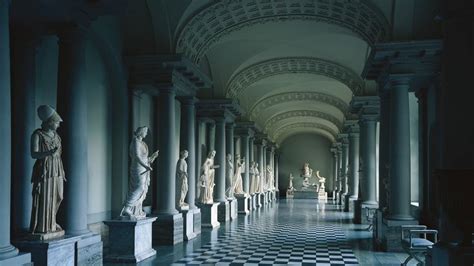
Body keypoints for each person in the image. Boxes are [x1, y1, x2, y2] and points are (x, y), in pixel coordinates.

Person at [30, 105, 65, 236]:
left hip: (57, 168)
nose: (58, 125)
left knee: (58, 196)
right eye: (56, 123)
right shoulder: (37, 135)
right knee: (45, 197)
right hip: (44, 169)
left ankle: (52, 221)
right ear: (49, 122)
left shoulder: (56, 136)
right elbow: (34, 154)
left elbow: (59, 154)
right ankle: (43, 226)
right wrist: (48, 152)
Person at [120, 126, 159, 218]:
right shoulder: (135, 142)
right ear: (141, 132)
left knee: (142, 188)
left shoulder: (143, 143)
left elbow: (145, 159)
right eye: (145, 132)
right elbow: (137, 157)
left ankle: (136, 209)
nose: (146, 134)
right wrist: (146, 166)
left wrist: (153, 157)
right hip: (138, 168)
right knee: (139, 187)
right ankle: (127, 207)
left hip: (144, 168)